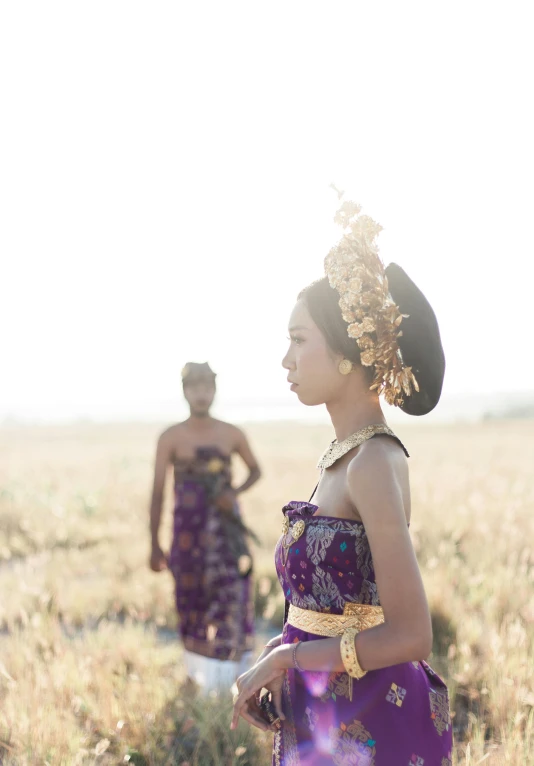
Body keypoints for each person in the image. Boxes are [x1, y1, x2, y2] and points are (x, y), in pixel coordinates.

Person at [231, 199, 452, 765]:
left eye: (299, 340)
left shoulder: (373, 463)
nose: (286, 359)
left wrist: (285, 662)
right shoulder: (338, 458)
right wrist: (280, 652)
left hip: (374, 724)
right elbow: (323, 610)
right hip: (321, 718)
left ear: (349, 352)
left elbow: (410, 635)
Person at [149, 362, 262, 692]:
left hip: (226, 535)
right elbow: (157, 492)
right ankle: (198, 677)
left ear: (214, 390)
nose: (201, 394)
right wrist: (154, 544)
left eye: (207, 387)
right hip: (187, 537)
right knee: (190, 599)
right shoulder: (170, 437)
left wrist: (233, 492)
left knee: (231, 597)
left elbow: (255, 470)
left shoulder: (231, 433)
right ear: (185, 391)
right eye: (194, 388)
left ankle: (233, 680)